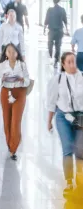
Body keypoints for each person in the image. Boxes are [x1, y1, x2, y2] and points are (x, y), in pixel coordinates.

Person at [46, 52, 83, 195]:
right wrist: (49, 121)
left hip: (80, 117)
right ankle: (69, 182)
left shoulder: (82, 78)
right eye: (69, 62)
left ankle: (80, 181)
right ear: (63, 64)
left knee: (80, 150)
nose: (72, 65)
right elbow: (51, 102)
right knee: (67, 148)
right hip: (63, 117)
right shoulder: (58, 79)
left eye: (73, 61)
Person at [0, 43, 31, 160]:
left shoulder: (22, 65)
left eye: (13, 51)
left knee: (16, 121)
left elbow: (27, 81)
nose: (11, 54)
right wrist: (3, 77)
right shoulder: (2, 65)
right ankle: (9, 143)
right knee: (7, 120)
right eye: (8, 51)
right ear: (5, 53)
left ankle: (13, 148)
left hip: (19, 93)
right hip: (6, 92)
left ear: (17, 53)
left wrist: (21, 79)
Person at [44, 0, 69, 66]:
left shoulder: (49, 10)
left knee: (50, 44)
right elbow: (65, 21)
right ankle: (56, 60)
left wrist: (44, 29)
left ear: (53, 0)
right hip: (59, 31)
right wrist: (67, 30)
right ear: (59, 0)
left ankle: (51, 56)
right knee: (58, 46)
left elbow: (46, 20)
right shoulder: (62, 10)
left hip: (51, 30)